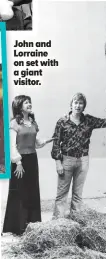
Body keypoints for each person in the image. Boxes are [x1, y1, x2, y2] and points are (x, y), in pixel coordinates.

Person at [51, 93, 106, 218]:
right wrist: (58, 163)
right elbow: (56, 143)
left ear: (84, 106)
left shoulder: (88, 120)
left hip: (83, 161)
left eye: (81, 103)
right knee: (62, 195)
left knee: (77, 194)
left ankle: (76, 221)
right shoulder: (62, 122)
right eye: (75, 103)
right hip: (66, 160)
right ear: (71, 104)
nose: (78, 105)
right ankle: (58, 223)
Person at [2, 95, 54, 236]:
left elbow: (34, 142)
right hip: (20, 161)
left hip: (32, 159)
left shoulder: (32, 122)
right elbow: (12, 145)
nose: (29, 104)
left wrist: (46, 141)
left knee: (32, 191)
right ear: (19, 106)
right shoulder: (14, 124)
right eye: (26, 102)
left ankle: (32, 225)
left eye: (30, 102)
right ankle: (18, 228)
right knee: (20, 193)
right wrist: (18, 162)